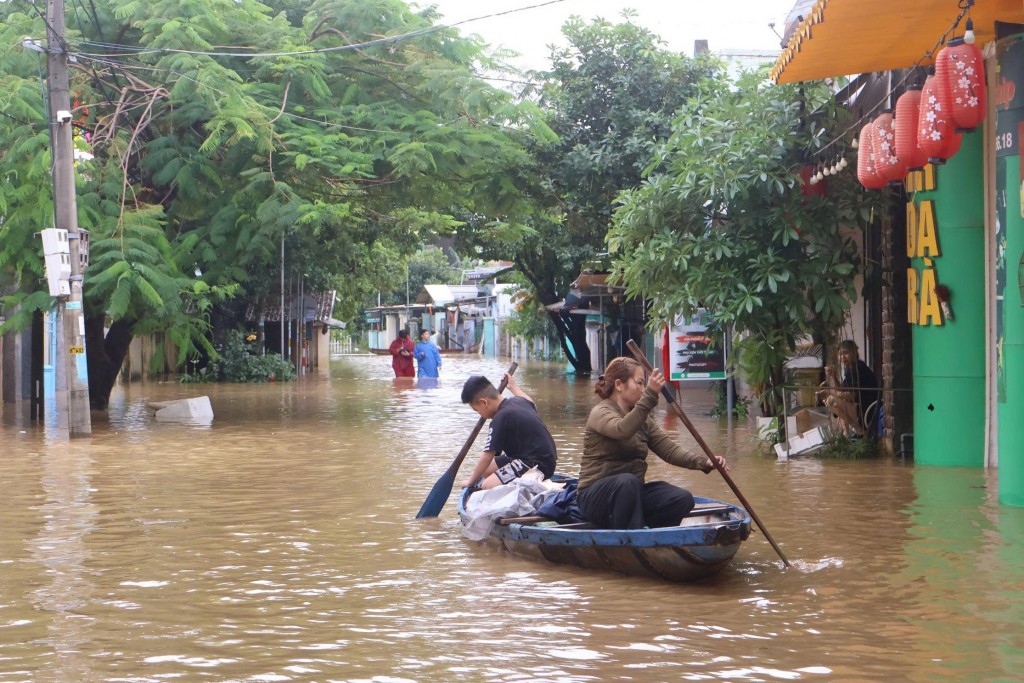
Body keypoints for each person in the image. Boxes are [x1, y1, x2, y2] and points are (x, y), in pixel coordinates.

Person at [576, 357, 726, 530]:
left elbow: (669, 450)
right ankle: (631, 538)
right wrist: (650, 395)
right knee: (628, 482)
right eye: (639, 383)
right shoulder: (601, 412)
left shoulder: (643, 420)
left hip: (631, 494)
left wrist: (704, 462)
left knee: (681, 499)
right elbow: (622, 430)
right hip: (595, 497)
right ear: (619, 384)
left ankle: (653, 538)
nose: (642, 388)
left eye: (644, 384)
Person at [460, 373, 557, 490]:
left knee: (487, 485)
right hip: (533, 457)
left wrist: (471, 481)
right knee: (486, 470)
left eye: (477, 410)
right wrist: (513, 387)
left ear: (484, 403)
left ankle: (532, 487)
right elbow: (531, 403)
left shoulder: (500, 418)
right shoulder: (518, 401)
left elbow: (487, 455)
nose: (479, 414)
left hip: (537, 464)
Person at [816, 340, 879, 437]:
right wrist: (834, 376)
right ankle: (847, 433)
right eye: (840, 354)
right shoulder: (849, 368)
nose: (842, 357)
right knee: (832, 399)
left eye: (845, 353)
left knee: (832, 400)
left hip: (868, 409)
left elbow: (851, 396)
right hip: (860, 408)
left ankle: (860, 431)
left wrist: (830, 391)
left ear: (854, 352)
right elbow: (842, 390)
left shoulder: (857, 368)